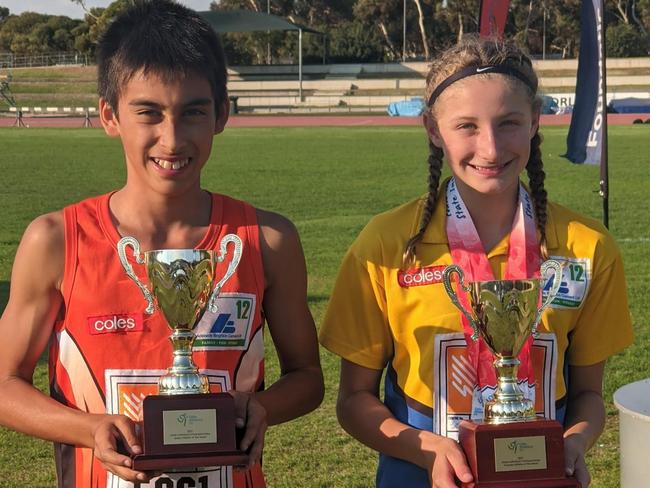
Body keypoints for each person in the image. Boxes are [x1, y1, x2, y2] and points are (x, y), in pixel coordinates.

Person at [0, 1, 324, 487]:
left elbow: (307, 376)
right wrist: (89, 429)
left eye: (193, 112)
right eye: (148, 113)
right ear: (109, 116)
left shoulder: (266, 240)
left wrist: (261, 407)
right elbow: (4, 385)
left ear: (221, 115)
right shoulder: (56, 241)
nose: (171, 139)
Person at [319, 35, 633, 488]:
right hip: (417, 476)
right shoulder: (386, 245)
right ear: (432, 128)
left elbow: (587, 394)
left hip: (540, 477)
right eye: (466, 126)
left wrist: (575, 442)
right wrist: (427, 451)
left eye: (508, 123)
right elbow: (353, 400)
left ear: (535, 121)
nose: (490, 148)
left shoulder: (588, 248)